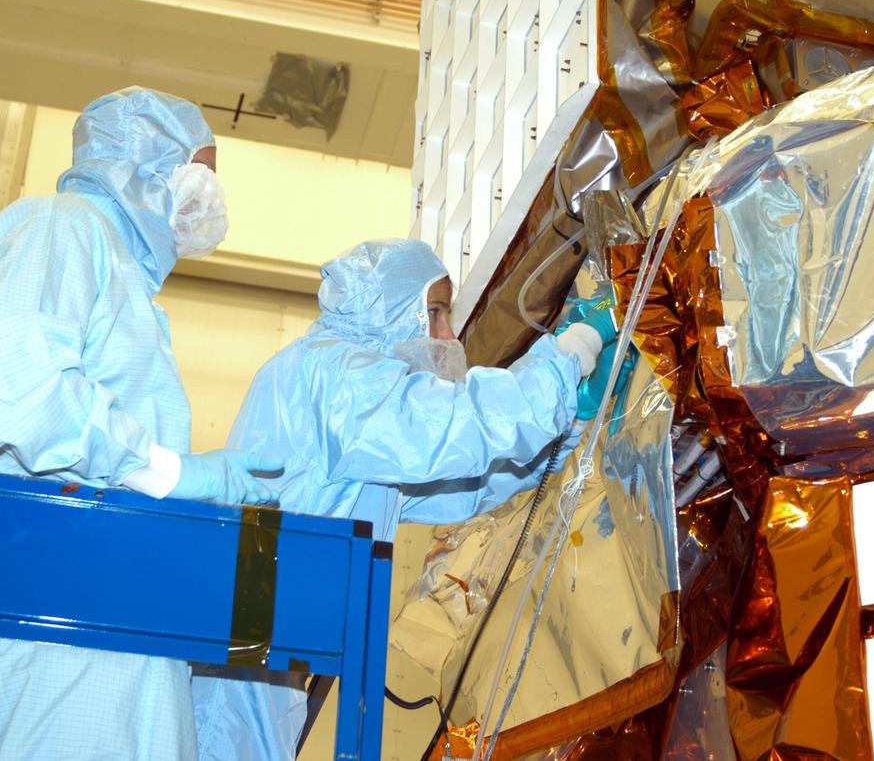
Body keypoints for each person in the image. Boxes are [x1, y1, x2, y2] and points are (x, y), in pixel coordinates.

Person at [0, 86, 281, 761]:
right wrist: (169, 472)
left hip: (98, 613)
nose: (212, 196)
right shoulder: (61, 226)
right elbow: (11, 374)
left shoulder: (120, 275)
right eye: (202, 172)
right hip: (51, 616)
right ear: (144, 161)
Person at [191, 238, 619, 761]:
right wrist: (569, 352)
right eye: (435, 313)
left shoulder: (358, 422)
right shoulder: (329, 374)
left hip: (273, 641)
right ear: (387, 309)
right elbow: (453, 426)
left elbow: (465, 487)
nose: (447, 335)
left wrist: (572, 419)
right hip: (250, 642)